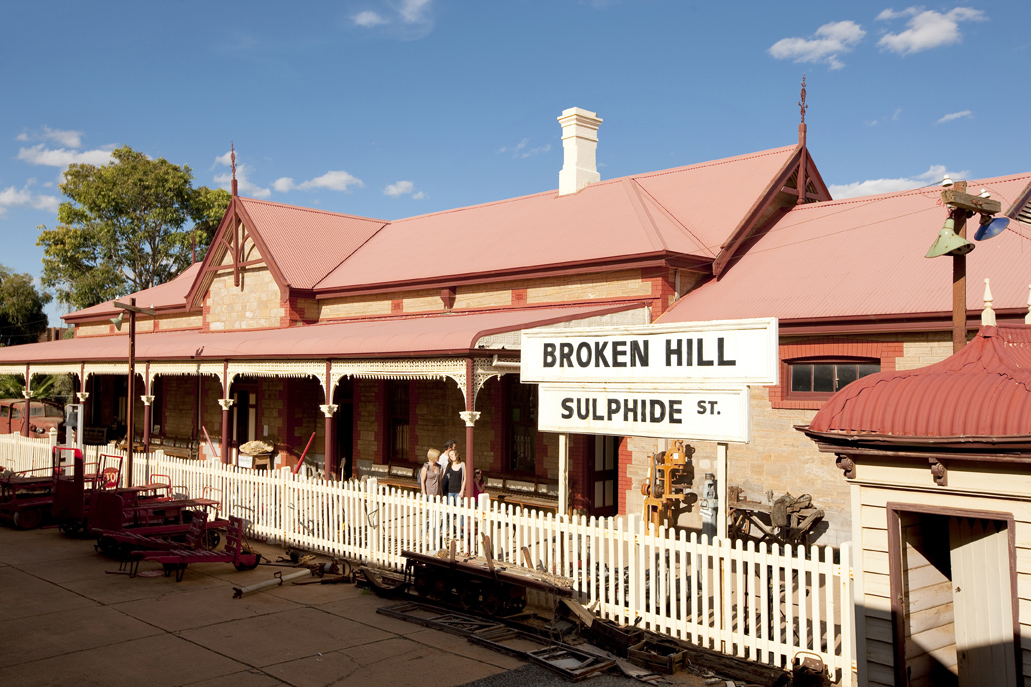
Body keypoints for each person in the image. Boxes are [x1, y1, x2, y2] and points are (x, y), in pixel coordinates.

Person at [443, 444, 466, 537]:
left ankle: (460, 529)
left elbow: (465, 478)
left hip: (458, 491)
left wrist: (462, 490)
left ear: (456, 455)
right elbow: (445, 477)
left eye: (452, 455)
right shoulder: (449, 465)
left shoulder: (462, 465)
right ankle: (450, 528)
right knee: (449, 511)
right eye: (450, 455)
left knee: (459, 511)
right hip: (449, 491)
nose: (451, 457)